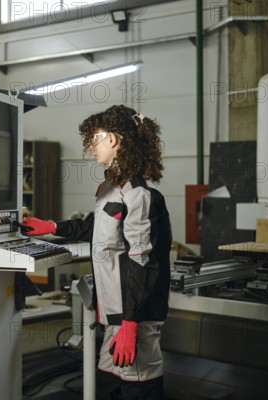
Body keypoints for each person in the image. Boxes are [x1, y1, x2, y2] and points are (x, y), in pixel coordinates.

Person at [21, 104, 172, 399]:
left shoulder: (139, 194)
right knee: (115, 385)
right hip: (115, 315)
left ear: (113, 140)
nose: (90, 148)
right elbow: (94, 228)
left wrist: (130, 325)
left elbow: (143, 263)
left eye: (94, 139)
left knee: (140, 388)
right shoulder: (110, 188)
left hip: (133, 318)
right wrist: (51, 225)